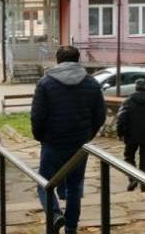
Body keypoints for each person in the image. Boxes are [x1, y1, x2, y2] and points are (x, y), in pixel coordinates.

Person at [31, 46, 106, 234]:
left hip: (53, 143)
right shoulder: (91, 83)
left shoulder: (45, 83)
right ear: (77, 59)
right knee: (75, 186)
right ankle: (71, 227)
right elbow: (100, 115)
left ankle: (55, 215)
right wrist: (88, 135)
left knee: (44, 183)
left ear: (58, 60)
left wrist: (40, 137)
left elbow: (37, 116)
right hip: (79, 145)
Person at [116, 78, 145, 192]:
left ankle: (133, 178)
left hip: (130, 135)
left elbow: (121, 118)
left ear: (136, 87)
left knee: (128, 157)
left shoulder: (128, 101)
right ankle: (144, 184)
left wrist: (120, 133)